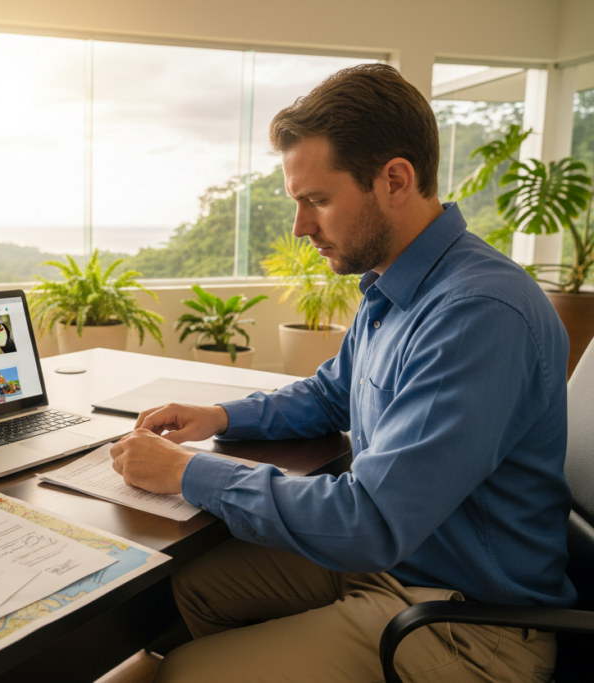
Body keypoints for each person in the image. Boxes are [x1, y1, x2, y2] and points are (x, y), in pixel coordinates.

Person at [109, 64, 575, 683]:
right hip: (407, 558)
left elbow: (371, 521)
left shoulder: (477, 315)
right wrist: (219, 418)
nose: (301, 227)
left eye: (318, 201)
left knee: (186, 673)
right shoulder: (394, 281)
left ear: (395, 180)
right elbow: (333, 393)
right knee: (193, 590)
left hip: (470, 623)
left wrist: (188, 472)